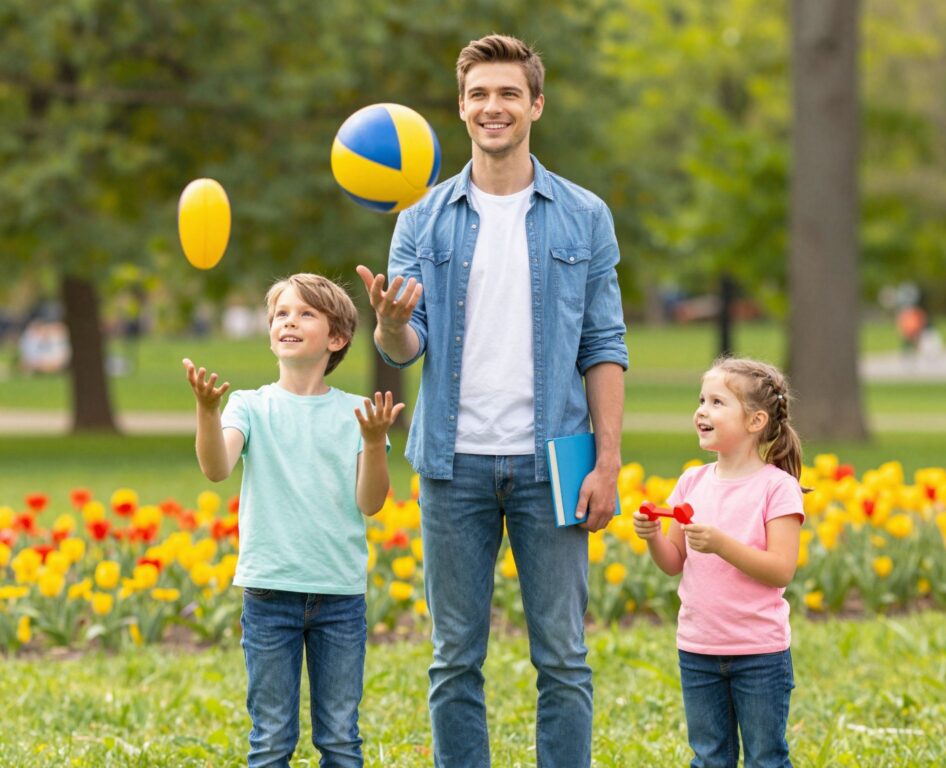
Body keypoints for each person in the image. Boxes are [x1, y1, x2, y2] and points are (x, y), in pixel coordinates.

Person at [356, 33, 628, 768]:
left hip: (556, 463)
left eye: (508, 92)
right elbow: (408, 344)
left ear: (536, 104)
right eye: (478, 94)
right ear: (461, 108)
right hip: (452, 465)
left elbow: (604, 344)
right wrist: (388, 325)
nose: (492, 106)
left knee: (564, 661)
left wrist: (608, 462)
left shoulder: (584, 215)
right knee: (452, 662)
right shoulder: (421, 219)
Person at [183, 273, 403, 768]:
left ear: (337, 338)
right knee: (271, 740)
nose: (289, 320)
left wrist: (372, 444)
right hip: (268, 594)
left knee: (341, 740)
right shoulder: (250, 406)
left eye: (306, 313)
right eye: (281, 313)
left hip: (339, 598)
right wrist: (206, 411)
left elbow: (371, 502)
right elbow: (217, 468)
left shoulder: (358, 413)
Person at [633, 357, 805, 768]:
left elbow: (781, 569)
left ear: (755, 420)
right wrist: (654, 537)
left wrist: (721, 544)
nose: (701, 411)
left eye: (716, 402)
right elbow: (674, 562)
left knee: (766, 757)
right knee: (709, 757)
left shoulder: (777, 488)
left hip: (759, 653)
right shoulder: (691, 481)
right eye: (701, 400)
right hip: (698, 647)